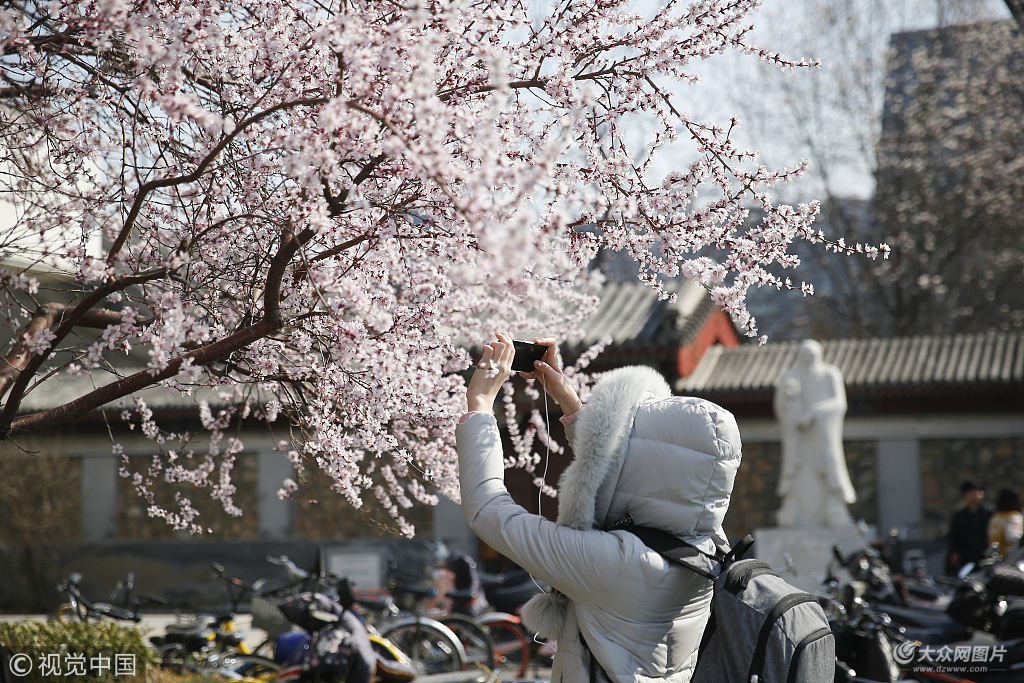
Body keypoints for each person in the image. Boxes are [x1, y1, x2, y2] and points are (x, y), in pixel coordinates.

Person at [456, 332, 742, 683]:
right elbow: (615, 471)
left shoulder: (615, 562)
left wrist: (481, 406)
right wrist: (567, 399)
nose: (620, 452)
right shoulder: (710, 544)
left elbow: (487, 510)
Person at [773, 339, 857, 528]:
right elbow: (781, 406)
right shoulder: (790, 376)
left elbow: (839, 403)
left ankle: (834, 505)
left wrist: (815, 414)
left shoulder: (830, 374)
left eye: (812, 355)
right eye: (804, 356)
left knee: (828, 468)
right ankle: (792, 508)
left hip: (822, 435)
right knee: (798, 472)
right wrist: (794, 412)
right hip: (800, 441)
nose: (808, 359)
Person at [946, 479, 995, 575]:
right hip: (965, 557)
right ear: (964, 495)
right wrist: (954, 552)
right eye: (971, 492)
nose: (975, 496)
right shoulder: (959, 515)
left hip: (985, 556)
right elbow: (953, 536)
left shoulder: (990, 513)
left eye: (978, 492)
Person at [987, 487, 1023, 557]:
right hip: (1009, 559)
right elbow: (1012, 537)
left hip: (993, 556)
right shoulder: (1014, 516)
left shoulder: (996, 516)